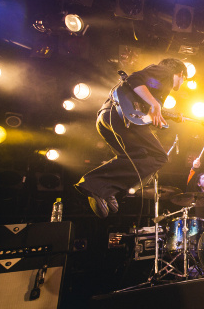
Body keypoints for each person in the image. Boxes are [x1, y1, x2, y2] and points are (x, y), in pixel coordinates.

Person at [75, 58, 188, 218]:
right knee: (159, 156)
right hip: (120, 117)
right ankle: (94, 183)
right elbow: (134, 79)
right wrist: (156, 105)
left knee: (137, 156)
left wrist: (169, 115)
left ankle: (107, 190)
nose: (182, 83)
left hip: (107, 117)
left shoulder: (155, 86)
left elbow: (142, 105)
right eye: (183, 80)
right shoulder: (166, 73)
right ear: (181, 74)